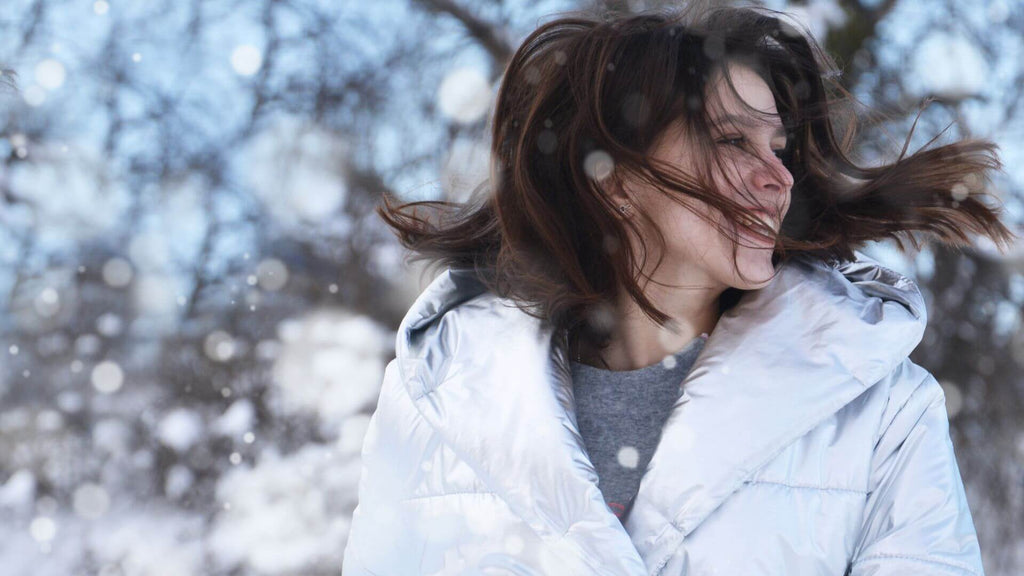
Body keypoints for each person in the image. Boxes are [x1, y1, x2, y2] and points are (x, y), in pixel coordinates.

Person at [343, 3, 1016, 575]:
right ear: (614, 179)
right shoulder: (438, 398)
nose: (776, 177)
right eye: (730, 141)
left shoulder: (881, 410)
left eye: (778, 147)